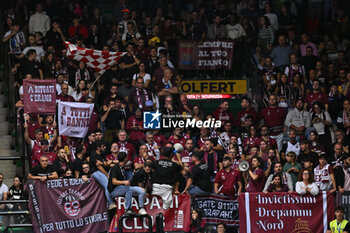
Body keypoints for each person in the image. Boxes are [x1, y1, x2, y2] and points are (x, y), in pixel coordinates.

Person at [89, 141, 113, 207]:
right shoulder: (93, 155)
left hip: (102, 172)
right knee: (107, 185)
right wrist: (107, 175)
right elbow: (99, 167)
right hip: (95, 172)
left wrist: (102, 163)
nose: (104, 148)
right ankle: (111, 203)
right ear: (98, 147)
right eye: (103, 146)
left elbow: (105, 164)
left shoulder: (102, 155)